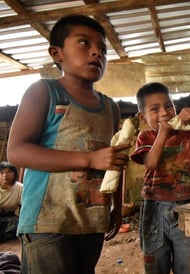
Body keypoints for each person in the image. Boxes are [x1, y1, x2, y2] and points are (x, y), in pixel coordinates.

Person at [6, 15, 130, 274]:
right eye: (84, 43)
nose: (96, 52)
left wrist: (116, 208)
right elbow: (17, 151)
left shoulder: (110, 107)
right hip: (48, 223)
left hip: (91, 221)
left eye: (103, 50)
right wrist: (88, 159)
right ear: (56, 53)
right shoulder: (44, 91)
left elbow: (115, 163)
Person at [130, 82, 190, 274]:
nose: (165, 113)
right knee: (155, 262)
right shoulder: (145, 136)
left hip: (186, 207)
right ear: (143, 117)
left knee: (188, 263)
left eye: (169, 106)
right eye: (155, 109)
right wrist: (163, 133)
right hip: (155, 208)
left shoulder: (186, 132)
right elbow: (151, 163)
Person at [0, 161, 22, 242]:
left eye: (9, 172)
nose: (5, 175)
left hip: (10, 216)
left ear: (14, 174)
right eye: (2, 173)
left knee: (17, 224)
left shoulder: (20, 188)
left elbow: (23, 207)